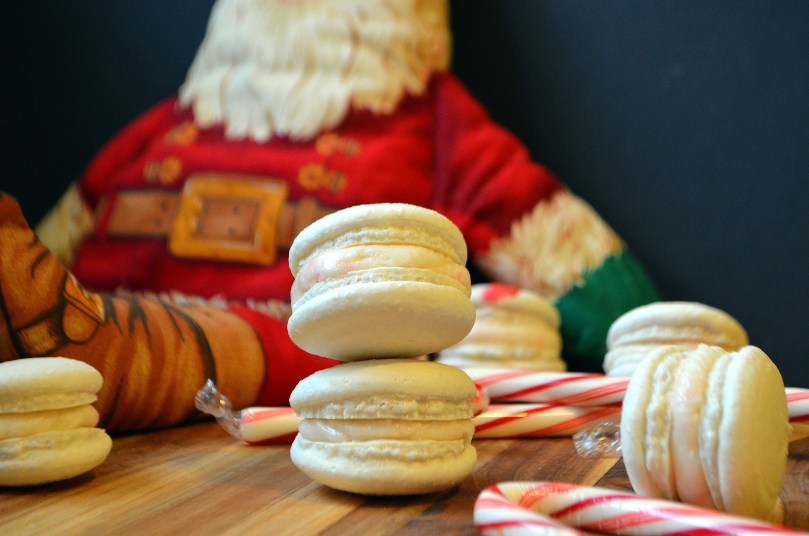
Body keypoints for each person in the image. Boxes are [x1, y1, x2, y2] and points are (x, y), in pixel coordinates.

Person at [0, 0, 658, 432]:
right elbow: (48, 249)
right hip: (100, 339)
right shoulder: (160, 132)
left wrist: (653, 351)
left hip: (286, 361)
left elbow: (555, 239)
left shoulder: (429, 124)